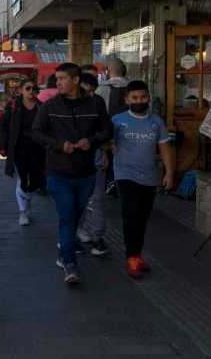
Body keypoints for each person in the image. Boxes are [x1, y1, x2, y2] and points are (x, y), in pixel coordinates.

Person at [30, 62, 112, 286]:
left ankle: (65, 251)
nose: (58, 83)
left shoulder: (95, 103)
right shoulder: (50, 106)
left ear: (76, 80)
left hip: (86, 172)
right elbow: (36, 132)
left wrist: (91, 141)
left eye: (62, 78)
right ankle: (69, 262)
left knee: (75, 215)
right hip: (58, 171)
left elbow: (107, 130)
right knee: (67, 216)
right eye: (57, 79)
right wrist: (59, 145)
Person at [112, 81, 174, 279]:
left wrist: (169, 173)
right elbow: (107, 142)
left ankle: (137, 255)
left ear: (148, 98)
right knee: (131, 214)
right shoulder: (117, 120)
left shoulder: (157, 122)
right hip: (125, 175)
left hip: (149, 176)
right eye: (135, 98)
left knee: (142, 217)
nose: (139, 101)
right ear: (127, 100)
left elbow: (164, 148)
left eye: (143, 97)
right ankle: (131, 257)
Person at [0, 79, 45, 226]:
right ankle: (23, 211)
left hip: (37, 149)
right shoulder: (13, 106)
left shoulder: (42, 107)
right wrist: (3, 145)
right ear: (21, 90)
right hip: (18, 149)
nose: (31, 91)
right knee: (22, 179)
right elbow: (3, 126)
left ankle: (26, 202)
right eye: (28, 88)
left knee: (35, 180)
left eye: (34, 89)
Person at [77, 73, 110, 256]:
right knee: (75, 198)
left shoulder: (97, 102)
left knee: (96, 198)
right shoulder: (64, 103)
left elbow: (104, 129)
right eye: (86, 90)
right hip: (72, 160)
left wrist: (104, 150)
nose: (89, 94)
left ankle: (97, 236)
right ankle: (74, 233)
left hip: (94, 156)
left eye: (92, 91)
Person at [95, 57, 130, 197]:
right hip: (132, 131)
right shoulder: (134, 87)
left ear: (107, 71)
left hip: (110, 132)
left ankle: (112, 182)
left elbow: (97, 115)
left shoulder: (102, 89)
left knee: (109, 158)